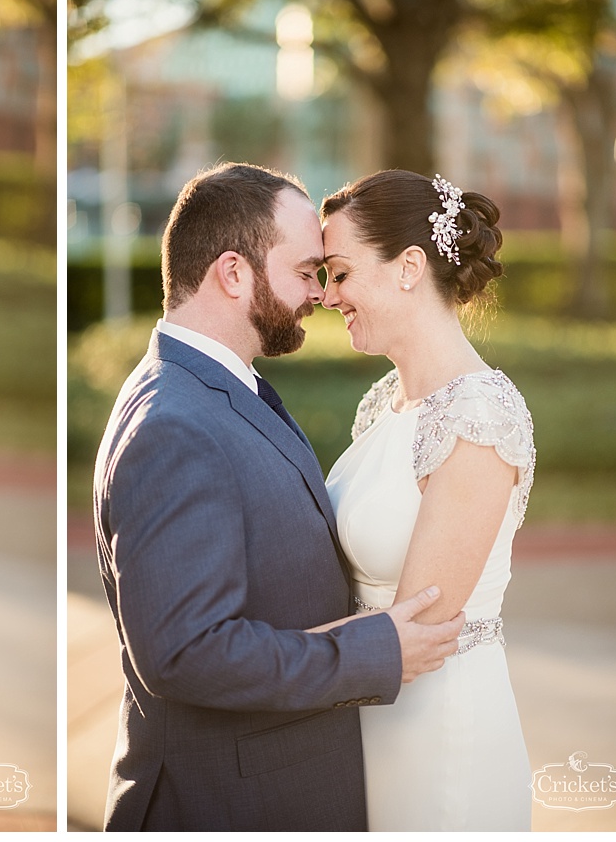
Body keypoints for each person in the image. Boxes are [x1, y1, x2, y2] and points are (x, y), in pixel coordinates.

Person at [92, 162, 467, 831]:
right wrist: (372, 651)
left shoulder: (216, 388)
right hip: (226, 806)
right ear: (233, 273)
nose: (319, 295)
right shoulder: (175, 426)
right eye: (304, 271)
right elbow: (184, 654)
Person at [321, 169, 534, 830]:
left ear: (409, 265)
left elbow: (418, 626)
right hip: (364, 718)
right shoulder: (383, 404)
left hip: (439, 737)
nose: (328, 296)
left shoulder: (480, 415)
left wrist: (241, 656)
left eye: (339, 272)